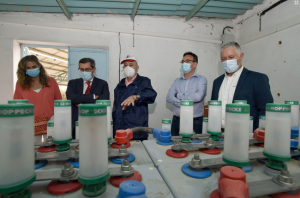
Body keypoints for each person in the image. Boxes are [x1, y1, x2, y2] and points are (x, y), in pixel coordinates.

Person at [211, 42, 273, 131]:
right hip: (219, 133)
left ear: (241, 56)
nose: (227, 61)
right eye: (224, 59)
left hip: (245, 134)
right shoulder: (217, 82)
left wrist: (258, 131)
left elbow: (265, 109)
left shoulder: (257, 79)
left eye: (231, 57)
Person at [13, 55, 62, 142]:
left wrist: (58, 119)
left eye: (34, 67)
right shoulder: (20, 84)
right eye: (28, 68)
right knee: (32, 149)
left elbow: (58, 101)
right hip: (30, 123)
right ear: (24, 70)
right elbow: (17, 104)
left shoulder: (51, 81)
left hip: (51, 121)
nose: (32, 69)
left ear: (39, 66)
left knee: (52, 148)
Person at [112, 55, 157, 141]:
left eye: (131, 64)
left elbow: (151, 94)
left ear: (137, 68)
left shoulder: (144, 81)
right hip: (120, 130)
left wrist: (136, 96)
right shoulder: (120, 84)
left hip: (137, 130)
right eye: (125, 65)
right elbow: (115, 107)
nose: (127, 67)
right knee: (121, 153)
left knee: (138, 153)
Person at [66, 58, 109, 138]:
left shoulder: (102, 84)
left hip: (95, 123)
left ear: (94, 69)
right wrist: (92, 96)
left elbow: (104, 100)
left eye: (87, 69)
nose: (84, 72)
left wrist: (82, 103)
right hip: (76, 123)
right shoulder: (72, 83)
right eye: (82, 69)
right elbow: (71, 97)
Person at [167, 52, 207, 136]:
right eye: (183, 61)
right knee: (175, 146)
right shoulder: (177, 81)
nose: (184, 63)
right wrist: (187, 102)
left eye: (187, 61)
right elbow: (169, 98)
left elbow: (198, 97)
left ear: (194, 64)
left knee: (193, 147)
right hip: (177, 121)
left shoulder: (201, 79)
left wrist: (178, 95)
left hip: (195, 122)